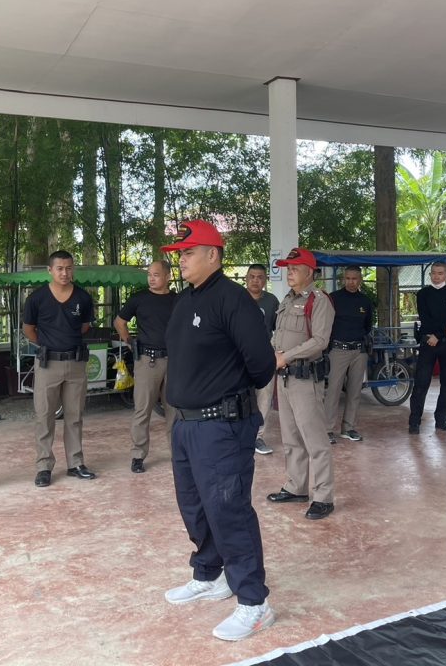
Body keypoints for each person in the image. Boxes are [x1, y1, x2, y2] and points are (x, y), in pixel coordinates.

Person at [161, 220, 277, 642]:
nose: (181, 260)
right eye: (179, 254)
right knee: (194, 506)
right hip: (186, 424)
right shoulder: (186, 300)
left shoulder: (233, 300)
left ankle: (254, 603)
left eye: (188, 252)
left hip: (222, 426)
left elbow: (262, 365)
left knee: (229, 510)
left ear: (213, 254)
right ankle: (210, 574)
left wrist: (226, 389)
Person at [266, 248, 336, 520]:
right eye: (288, 268)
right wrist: (273, 353)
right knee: (291, 437)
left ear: (309, 271)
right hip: (285, 377)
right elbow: (279, 335)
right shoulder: (287, 299)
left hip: (306, 379)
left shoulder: (319, 301)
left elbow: (320, 341)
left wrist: (287, 356)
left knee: (315, 440)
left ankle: (323, 497)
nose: (290, 272)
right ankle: (296, 487)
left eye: (295, 268)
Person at [23, 250, 97, 486]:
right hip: (48, 364)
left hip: (75, 363)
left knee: (74, 416)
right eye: (60, 269)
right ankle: (44, 466)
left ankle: (75, 463)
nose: (65, 273)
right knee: (44, 416)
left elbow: (85, 326)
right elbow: (28, 330)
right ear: (50, 270)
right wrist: (48, 344)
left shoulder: (83, 297)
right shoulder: (36, 298)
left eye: (69, 268)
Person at [113, 259, 177, 473]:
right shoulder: (139, 298)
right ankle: (138, 455)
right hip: (147, 361)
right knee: (143, 409)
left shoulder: (178, 300)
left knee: (175, 409)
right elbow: (119, 322)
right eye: (149, 274)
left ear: (168, 276)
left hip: (174, 361)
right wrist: (129, 342)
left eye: (156, 274)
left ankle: (178, 453)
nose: (151, 278)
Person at [408, 261, 446, 434]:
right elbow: (426, 320)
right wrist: (444, 330)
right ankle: (414, 422)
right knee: (421, 383)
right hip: (428, 343)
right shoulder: (423, 294)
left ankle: (442, 420)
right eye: (433, 273)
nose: (436, 276)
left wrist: (438, 335)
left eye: (440, 273)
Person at [324, 266, 373, 443]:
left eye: (355, 279)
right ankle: (327, 430)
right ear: (343, 279)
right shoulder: (333, 299)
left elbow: (368, 325)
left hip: (359, 352)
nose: (351, 282)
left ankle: (348, 428)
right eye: (348, 278)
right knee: (333, 391)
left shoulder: (365, 301)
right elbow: (325, 323)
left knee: (355, 391)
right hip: (338, 350)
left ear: (360, 280)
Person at [244, 263, 279, 455]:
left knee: (264, 396)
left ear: (265, 280)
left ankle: (258, 436)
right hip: (239, 356)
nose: (255, 280)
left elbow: (278, 327)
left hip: (264, 355)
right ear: (246, 279)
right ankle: (238, 433)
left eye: (260, 277)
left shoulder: (272, 301)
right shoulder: (236, 298)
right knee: (238, 394)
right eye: (252, 276)